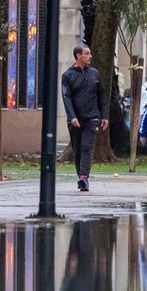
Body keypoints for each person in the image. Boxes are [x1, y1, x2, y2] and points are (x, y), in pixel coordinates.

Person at [61, 44, 107, 192]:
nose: (90, 56)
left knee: (87, 147)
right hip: (75, 119)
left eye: (90, 53)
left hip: (92, 118)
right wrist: (72, 116)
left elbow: (102, 96)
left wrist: (104, 116)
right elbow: (66, 97)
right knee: (78, 150)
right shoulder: (67, 76)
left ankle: (84, 178)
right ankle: (81, 177)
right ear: (78, 55)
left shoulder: (95, 74)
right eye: (87, 54)